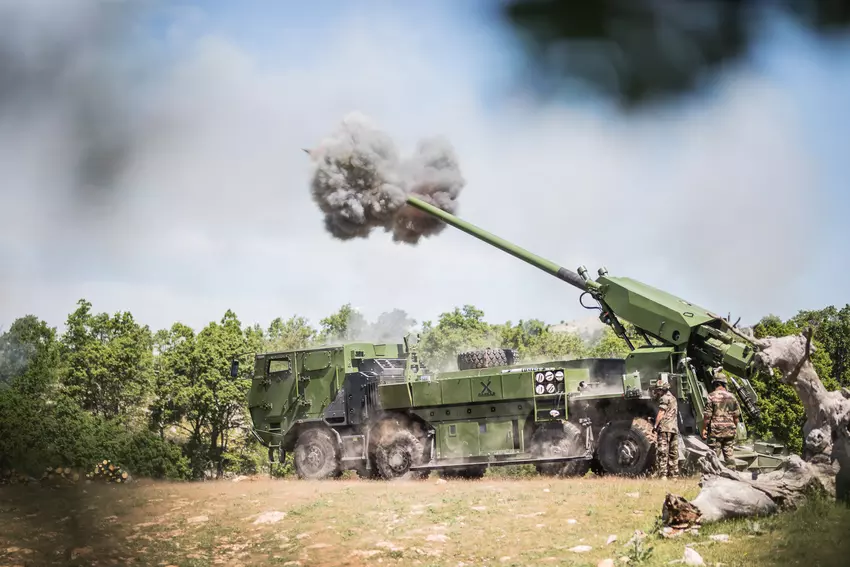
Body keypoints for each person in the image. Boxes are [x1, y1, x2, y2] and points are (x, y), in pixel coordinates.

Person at [702, 369, 741, 464]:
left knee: (713, 457)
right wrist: (734, 428)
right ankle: (732, 474)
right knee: (730, 456)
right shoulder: (732, 397)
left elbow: (707, 416)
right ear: (724, 384)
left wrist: (704, 429)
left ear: (715, 383)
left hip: (716, 431)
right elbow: (736, 417)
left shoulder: (711, 396)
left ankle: (713, 477)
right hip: (729, 431)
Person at [653, 374, 679, 480]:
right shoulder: (673, 398)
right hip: (674, 429)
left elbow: (661, 413)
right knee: (673, 453)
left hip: (664, 428)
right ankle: (674, 476)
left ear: (662, 390)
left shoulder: (664, 398)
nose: (658, 392)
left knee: (663, 452)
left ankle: (663, 475)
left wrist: (655, 426)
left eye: (659, 390)